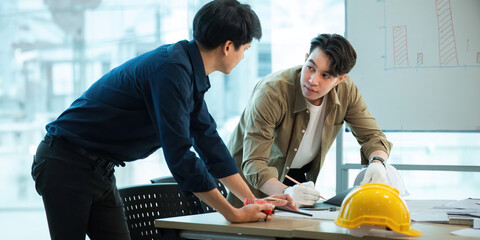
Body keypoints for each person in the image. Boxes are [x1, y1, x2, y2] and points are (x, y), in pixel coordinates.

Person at [31, 1, 295, 239]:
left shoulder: (188, 71)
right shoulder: (171, 70)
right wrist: (232, 213)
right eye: (245, 49)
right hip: (65, 163)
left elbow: (208, 141)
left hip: (98, 169)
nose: (243, 56)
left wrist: (251, 202)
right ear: (228, 47)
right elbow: (180, 154)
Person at [226, 33, 393, 208]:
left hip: (293, 175)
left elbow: (373, 137)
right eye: (311, 67)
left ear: (340, 79)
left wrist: (377, 162)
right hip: (251, 180)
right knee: (258, 232)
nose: (313, 80)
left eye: (326, 75)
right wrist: (286, 193)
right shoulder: (272, 92)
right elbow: (254, 164)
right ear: (306, 58)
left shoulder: (346, 91)